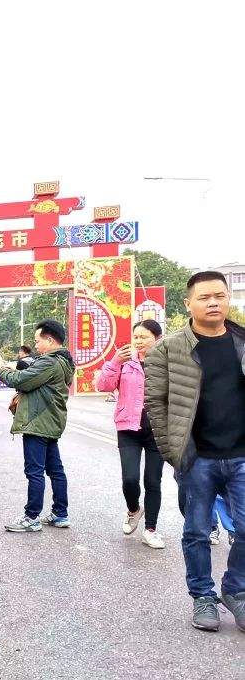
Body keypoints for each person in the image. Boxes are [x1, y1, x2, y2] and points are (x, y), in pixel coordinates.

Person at [144, 270, 245, 633]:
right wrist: (174, 451)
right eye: (204, 297)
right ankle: (203, 595)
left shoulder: (242, 342)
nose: (213, 302)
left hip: (241, 455)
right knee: (198, 531)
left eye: (219, 295)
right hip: (197, 457)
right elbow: (155, 403)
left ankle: (237, 591)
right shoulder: (167, 350)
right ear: (188, 304)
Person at [94, 319, 166, 549]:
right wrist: (114, 362)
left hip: (158, 429)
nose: (138, 341)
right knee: (130, 479)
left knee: (153, 480)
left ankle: (151, 529)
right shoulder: (125, 362)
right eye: (136, 337)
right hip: (128, 428)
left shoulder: (167, 362)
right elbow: (103, 385)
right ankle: (134, 509)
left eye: (144, 337)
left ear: (157, 338)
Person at [0, 319, 74, 532]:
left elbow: (21, 380)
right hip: (50, 421)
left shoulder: (49, 362)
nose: (36, 346)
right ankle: (60, 513)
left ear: (49, 340)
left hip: (37, 422)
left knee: (34, 472)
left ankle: (31, 517)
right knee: (55, 470)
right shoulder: (63, 362)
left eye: (38, 341)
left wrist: (2, 370)